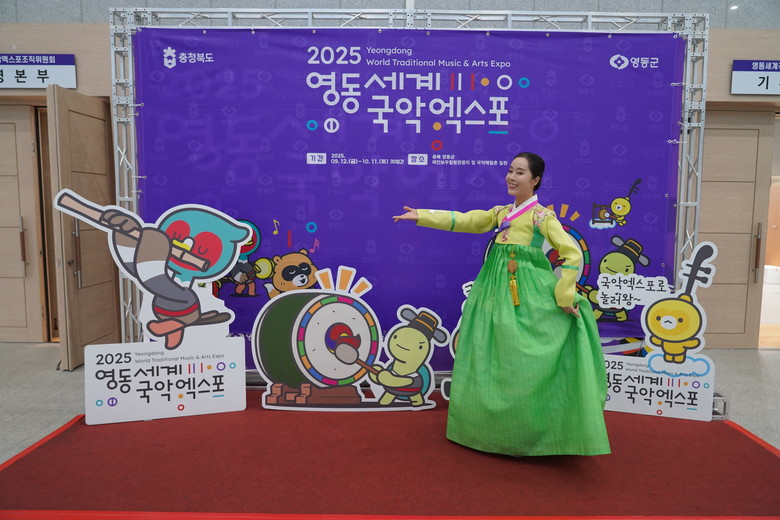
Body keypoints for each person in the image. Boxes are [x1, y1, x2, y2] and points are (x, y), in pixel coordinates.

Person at [393, 152, 610, 456]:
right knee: (492, 351)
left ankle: (531, 430)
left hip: (526, 289)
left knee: (521, 357)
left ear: (535, 180)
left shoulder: (541, 217)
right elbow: (468, 220)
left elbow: (571, 253)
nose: (511, 177)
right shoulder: (501, 212)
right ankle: (489, 428)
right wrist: (422, 215)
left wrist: (563, 295)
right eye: (510, 170)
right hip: (494, 287)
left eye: (520, 172)